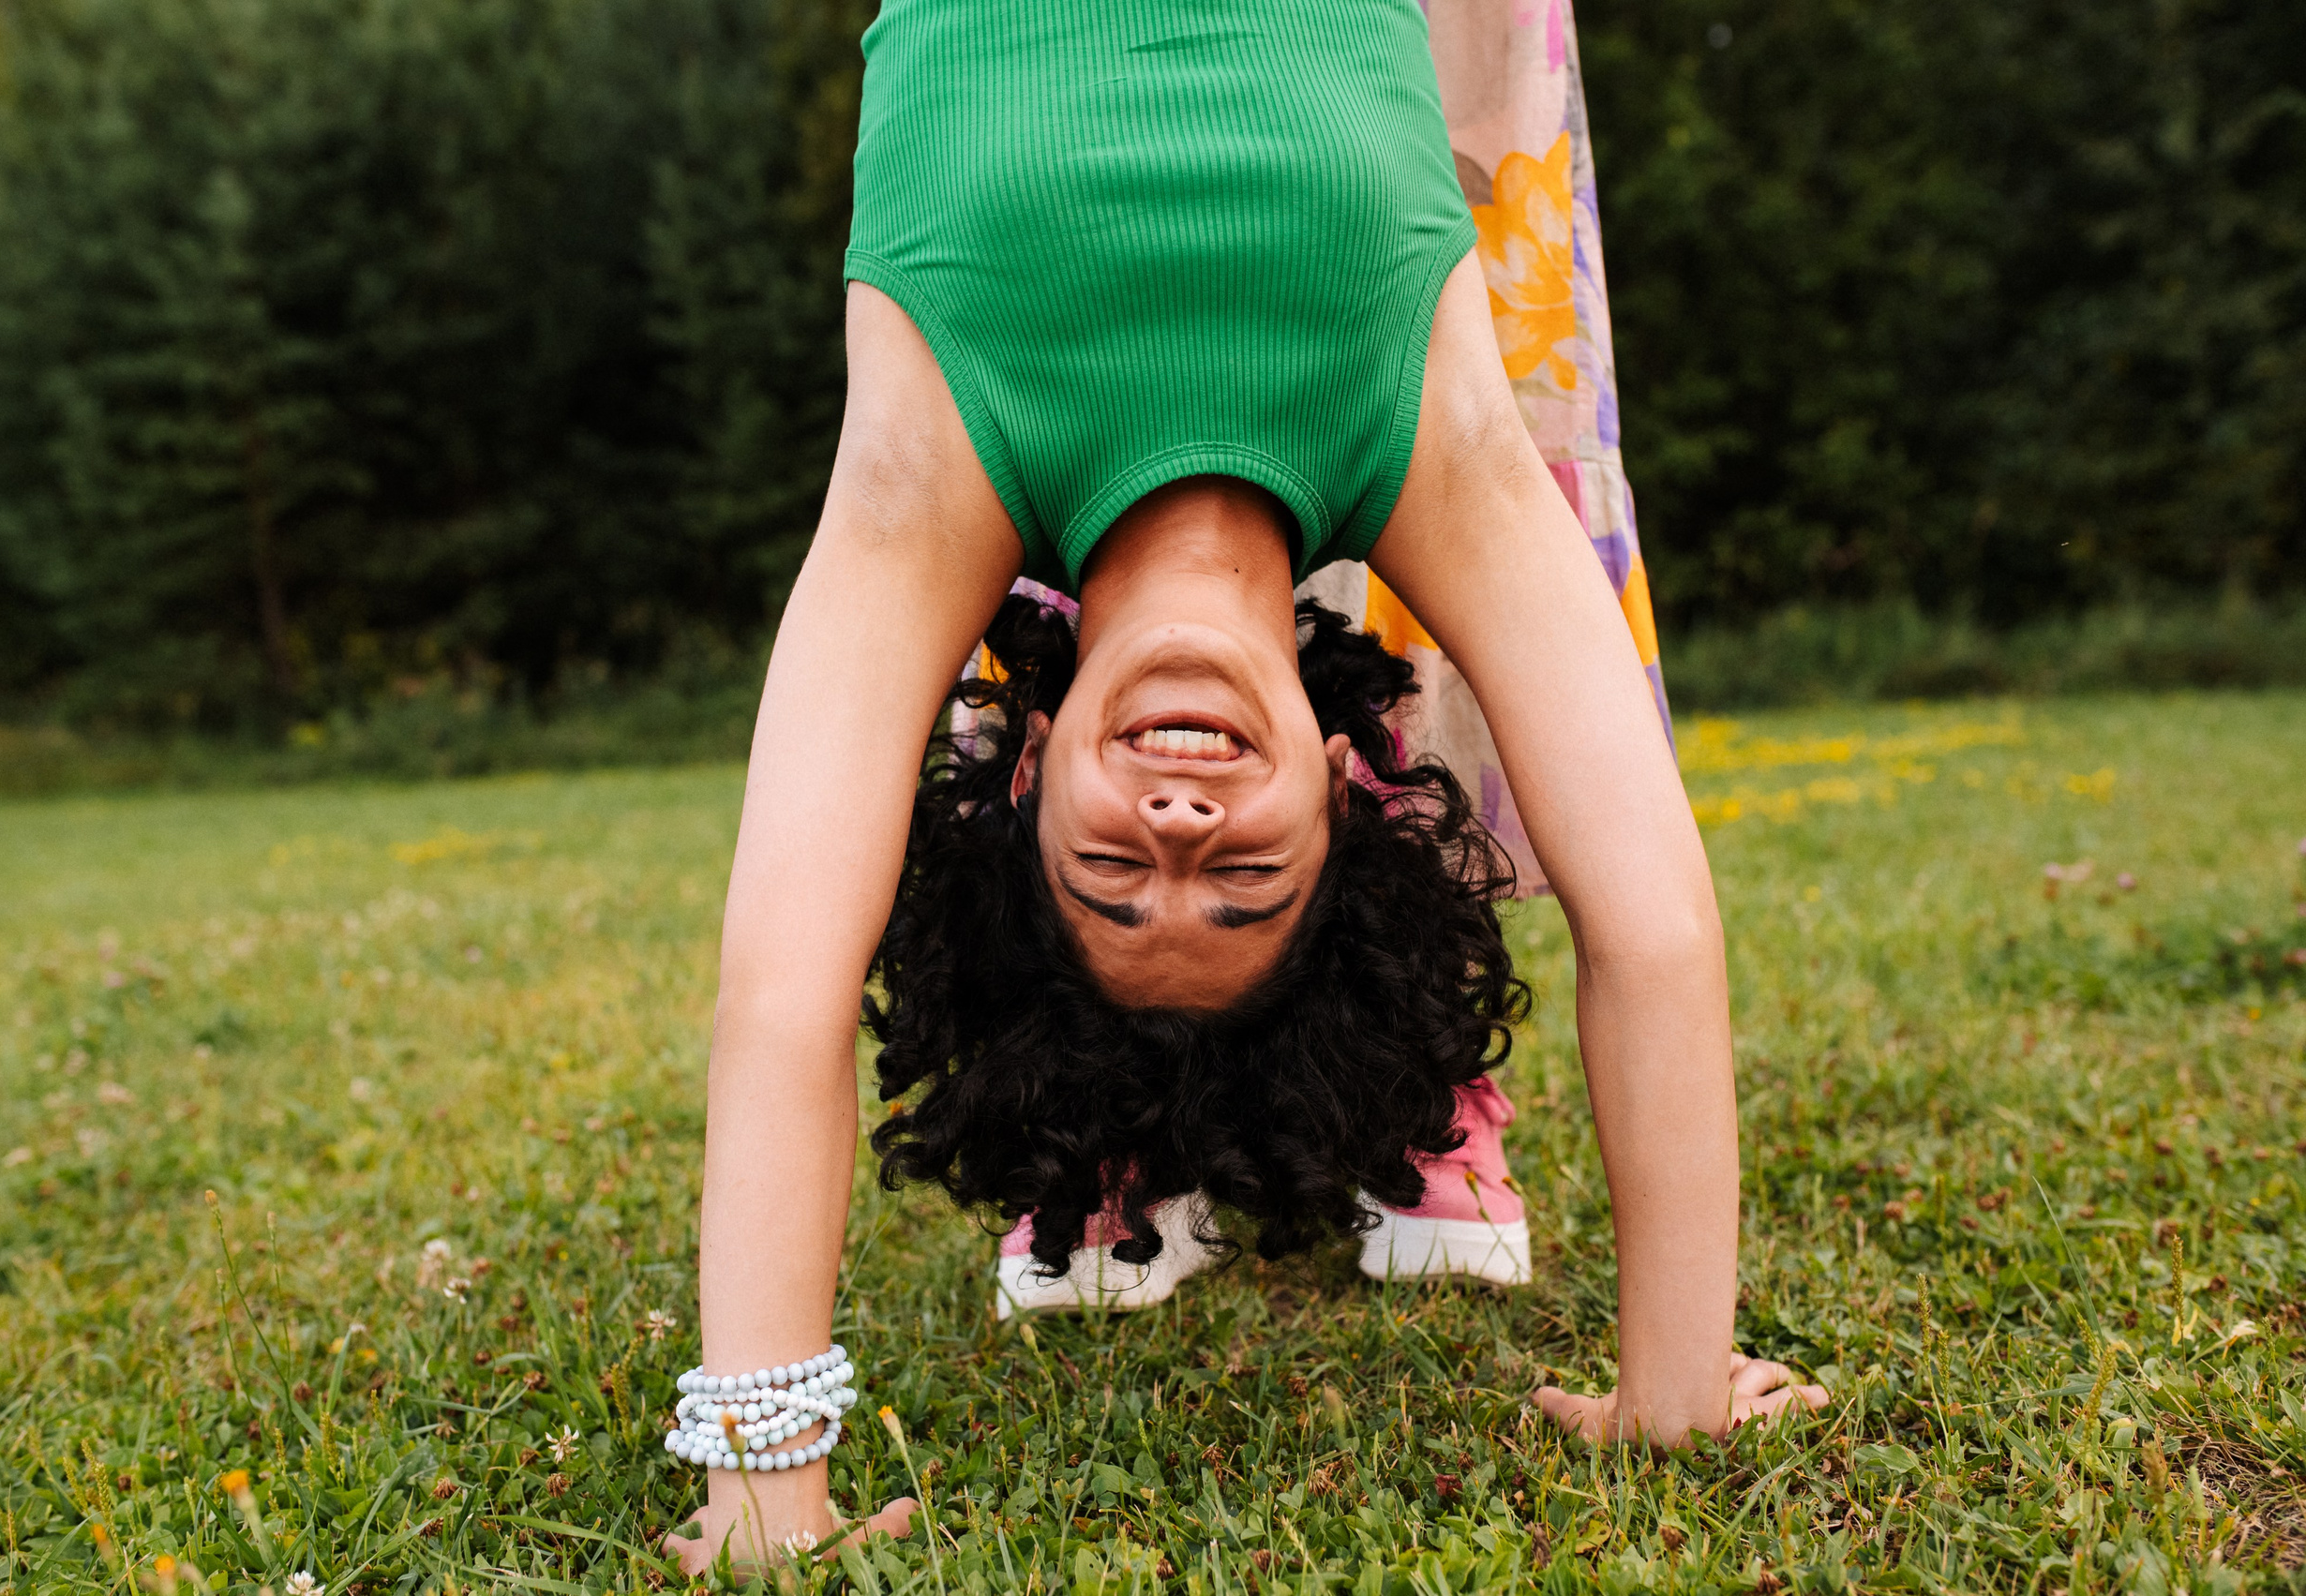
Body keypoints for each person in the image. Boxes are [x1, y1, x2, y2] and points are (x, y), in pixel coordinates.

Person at [669, 0, 1825, 1570]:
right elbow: (1657, 935)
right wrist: (1675, 1385)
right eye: (1242, 883)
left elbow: (781, 1002)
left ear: (1020, 793)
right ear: (1349, 799)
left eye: (1114, 879)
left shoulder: (922, 495)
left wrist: (763, 1482)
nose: (1179, 836)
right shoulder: (1430, 455)